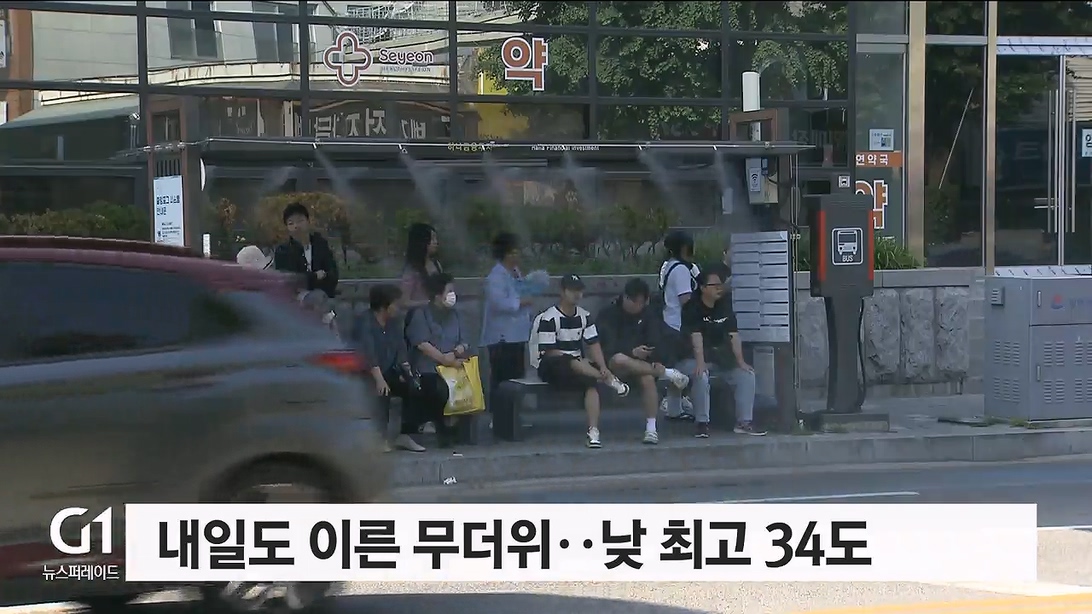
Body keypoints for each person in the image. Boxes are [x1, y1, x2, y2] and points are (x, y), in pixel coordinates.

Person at [529, 274, 629, 449]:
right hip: (551, 365)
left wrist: (603, 366)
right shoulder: (549, 317)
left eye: (579, 290)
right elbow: (549, 351)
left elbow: (593, 344)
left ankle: (593, 432)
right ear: (562, 292)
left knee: (590, 384)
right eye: (572, 290)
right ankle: (609, 380)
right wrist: (575, 361)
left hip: (579, 366)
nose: (577, 294)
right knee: (572, 361)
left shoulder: (584, 316)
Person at [595, 278, 690, 445]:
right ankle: (667, 374)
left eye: (637, 301)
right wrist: (632, 352)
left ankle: (651, 429)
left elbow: (658, 340)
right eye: (629, 299)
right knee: (620, 359)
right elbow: (607, 346)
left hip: (643, 366)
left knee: (647, 378)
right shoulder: (608, 314)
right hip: (614, 367)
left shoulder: (649, 315)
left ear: (645, 301)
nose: (632, 304)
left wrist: (656, 359)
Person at [679, 264, 767, 438]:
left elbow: (734, 335)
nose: (719, 289)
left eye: (720, 285)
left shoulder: (725, 304)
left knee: (746, 375)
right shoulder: (691, 308)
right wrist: (700, 363)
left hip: (719, 358)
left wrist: (741, 362)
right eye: (714, 285)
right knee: (701, 376)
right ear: (703, 288)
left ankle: (744, 422)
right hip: (691, 358)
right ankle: (702, 423)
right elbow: (696, 337)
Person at [351, 284, 429, 452]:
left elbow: (400, 348)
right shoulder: (365, 322)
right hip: (367, 372)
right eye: (395, 304)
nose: (398, 308)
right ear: (383, 306)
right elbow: (368, 353)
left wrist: (406, 372)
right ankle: (379, 437)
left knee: (413, 388)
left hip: (389, 369)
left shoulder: (394, 322)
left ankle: (406, 434)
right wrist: (379, 379)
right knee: (382, 392)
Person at [406, 272, 468, 449]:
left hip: (454, 365)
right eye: (449, 291)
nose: (452, 295)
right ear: (437, 295)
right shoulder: (421, 315)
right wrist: (443, 359)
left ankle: (458, 428)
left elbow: (464, 341)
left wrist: (456, 352)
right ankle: (442, 429)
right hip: (429, 368)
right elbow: (422, 343)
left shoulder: (456, 315)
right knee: (439, 389)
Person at [480, 232, 536, 411]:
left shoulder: (516, 272)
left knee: (516, 377)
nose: (517, 255)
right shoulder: (496, 276)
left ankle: (513, 416)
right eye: (513, 252)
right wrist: (521, 302)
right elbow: (498, 302)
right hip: (501, 337)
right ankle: (498, 417)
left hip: (517, 335)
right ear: (505, 254)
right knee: (502, 378)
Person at [658, 229, 701, 421]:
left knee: (677, 369)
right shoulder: (682, 270)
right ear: (684, 247)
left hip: (669, 323)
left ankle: (674, 409)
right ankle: (676, 406)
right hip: (679, 326)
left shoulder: (669, 266)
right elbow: (686, 299)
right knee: (685, 367)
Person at [273, 202, 339, 298]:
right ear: (287, 227)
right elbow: (290, 281)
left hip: (324, 298)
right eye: (291, 223)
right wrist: (315, 276)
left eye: (300, 221)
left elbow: (333, 275)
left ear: (308, 221)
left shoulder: (321, 245)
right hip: (295, 301)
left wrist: (310, 279)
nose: (296, 226)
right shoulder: (282, 251)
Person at [400, 222, 443, 308]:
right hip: (418, 314)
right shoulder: (411, 269)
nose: (436, 242)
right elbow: (404, 302)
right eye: (432, 239)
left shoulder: (436, 264)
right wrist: (428, 303)